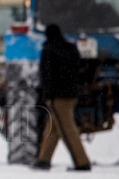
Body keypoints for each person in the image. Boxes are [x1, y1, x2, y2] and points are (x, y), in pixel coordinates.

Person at [32, 24, 92, 171]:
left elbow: (47, 76)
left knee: (67, 130)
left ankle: (82, 162)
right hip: (71, 95)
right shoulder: (71, 48)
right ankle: (43, 160)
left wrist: (47, 95)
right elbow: (80, 69)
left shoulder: (49, 51)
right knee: (52, 128)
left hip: (57, 98)